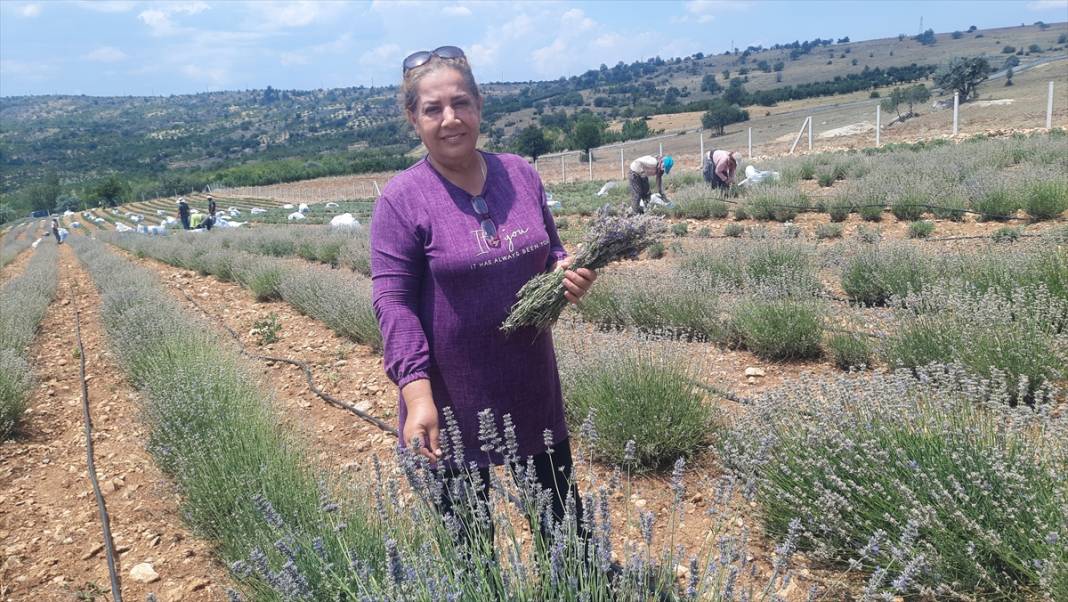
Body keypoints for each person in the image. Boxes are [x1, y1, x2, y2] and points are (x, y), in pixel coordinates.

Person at [370, 45, 597, 538]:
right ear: (414, 119)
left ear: (479, 105)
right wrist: (417, 394)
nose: (450, 119)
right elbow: (393, 303)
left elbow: (552, 251)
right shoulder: (401, 199)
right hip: (450, 400)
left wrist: (567, 273)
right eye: (433, 109)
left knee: (565, 532)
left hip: (530, 387)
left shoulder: (520, 173)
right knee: (472, 550)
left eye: (461, 103)